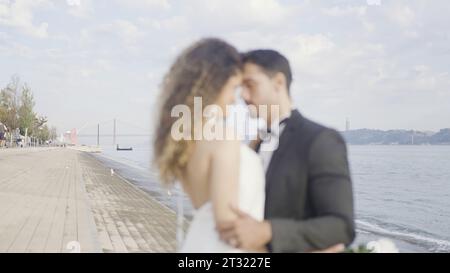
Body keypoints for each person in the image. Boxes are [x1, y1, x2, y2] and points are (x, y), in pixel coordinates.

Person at [217, 50, 355, 252]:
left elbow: (341, 226)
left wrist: (269, 231)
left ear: (278, 82)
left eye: (250, 85)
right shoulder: (255, 145)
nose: (244, 97)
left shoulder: (321, 140)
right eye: (240, 88)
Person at [153, 38, 266, 252]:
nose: (234, 100)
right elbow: (228, 225)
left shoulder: (184, 140)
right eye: (233, 88)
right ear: (213, 84)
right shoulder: (223, 137)